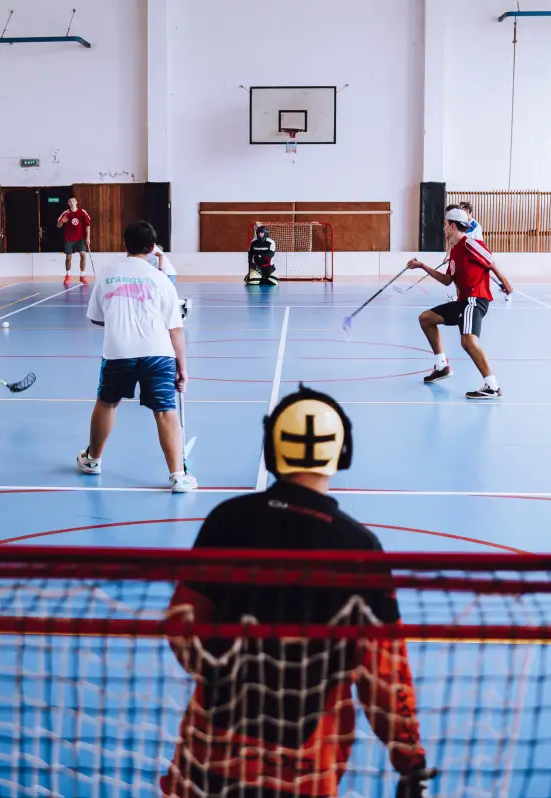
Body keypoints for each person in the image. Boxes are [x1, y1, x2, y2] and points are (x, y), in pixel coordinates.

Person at [162, 385, 433, 798]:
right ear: (342, 453)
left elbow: (182, 626)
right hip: (304, 776)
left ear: (273, 450)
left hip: (206, 764)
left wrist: (234, 671)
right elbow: (384, 678)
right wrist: (409, 760)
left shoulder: (226, 520)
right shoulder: (359, 548)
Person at [78, 220, 197, 493]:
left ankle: (93, 460)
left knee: (107, 403)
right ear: (153, 247)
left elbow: (97, 318)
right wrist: (183, 367)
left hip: (119, 352)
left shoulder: (107, 274)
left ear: (124, 244)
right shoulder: (161, 279)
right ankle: (178, 476)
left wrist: (121, 316)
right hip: (159, 354)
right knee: (165, 412)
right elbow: (175, 328)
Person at [408, 207, 513, 399]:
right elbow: (448, 280)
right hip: (463, 301)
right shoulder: (455, 251)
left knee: (468, 341)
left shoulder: (469, 244)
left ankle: (492, 386)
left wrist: (505, 283)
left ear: (453, 225)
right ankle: (441, 366)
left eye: (445, 225)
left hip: (476, 299)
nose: (444, 230)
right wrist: (423, 266)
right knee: (426, 319)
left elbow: (490, 260)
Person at [57, 196, 92, 284]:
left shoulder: (82, 212)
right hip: (69, 239)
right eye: (70, 201)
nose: (72, 202)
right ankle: (68, 275)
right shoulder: (66, 213)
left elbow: (88, 225)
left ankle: (82, 276)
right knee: (68, 258)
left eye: (73, 201)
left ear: (76, 202)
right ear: (68, 204)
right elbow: (58, 225)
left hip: (80, 238)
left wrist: (88, 238)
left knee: (83, 255)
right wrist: (62, 222)